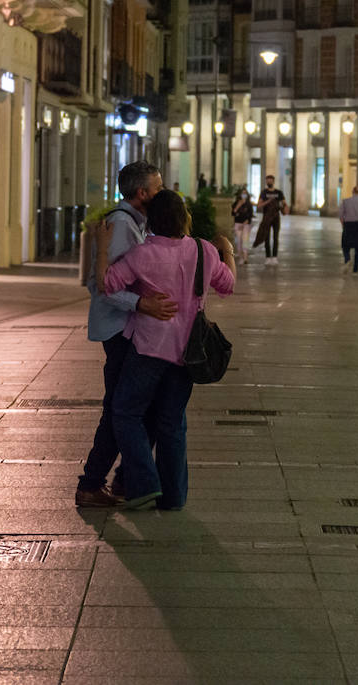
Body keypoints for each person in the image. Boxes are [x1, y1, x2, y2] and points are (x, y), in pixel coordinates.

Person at [96, 191, 236, 509]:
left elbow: (107, 284)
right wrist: (226, 251)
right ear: (183, 217)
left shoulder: (143, 254)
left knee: (126, 412)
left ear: (153, 220)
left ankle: (144, 484)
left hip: (148, 348)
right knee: (171, 422)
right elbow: (227, 285)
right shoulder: (203, 250)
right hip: (187, 352)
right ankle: (173, 497)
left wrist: (102, 248)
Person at [75, 161, 178, 509]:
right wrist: (142, 304)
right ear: (142, 193)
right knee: (120, 409)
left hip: (128, 327)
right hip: (119, 329)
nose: (163, 191)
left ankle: (123, 479)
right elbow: (102, 285)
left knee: (130, 407)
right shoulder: (121, 226)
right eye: (158, 186)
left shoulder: (136, 223)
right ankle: (93, 483)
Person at [252, 174, 289, 264]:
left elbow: (284, 204)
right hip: (266, 218)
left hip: (276, 217)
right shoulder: (264, 192)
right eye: (267, 180)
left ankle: (275, 257)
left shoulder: (279, 192)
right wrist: (268, 201)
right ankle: (268, 257)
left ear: (273, 181)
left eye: (270, 180)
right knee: (266, 237)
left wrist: (285, 210)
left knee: (276, 237)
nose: (269, 182)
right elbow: (259, 205)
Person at [337, 184, 358, 274]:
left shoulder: (345, 201)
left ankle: (347, 259)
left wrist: (343, 224)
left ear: (353, 192)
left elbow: (340, 215)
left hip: (348, 225)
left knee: (345, 246)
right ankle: (355, 269)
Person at [231, 189, 254, 264]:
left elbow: (250, 216)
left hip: (246, 225)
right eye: (242, 193)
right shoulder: (236, 203)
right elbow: (233, 213)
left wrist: (245, 223)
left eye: (245, 193)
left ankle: (245, 257)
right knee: (238, 241)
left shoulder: (249, 204)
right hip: (238, 224)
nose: (244, 195)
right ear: (240, 195)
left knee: (245, 240)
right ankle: (240, 257)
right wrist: (238, 206)